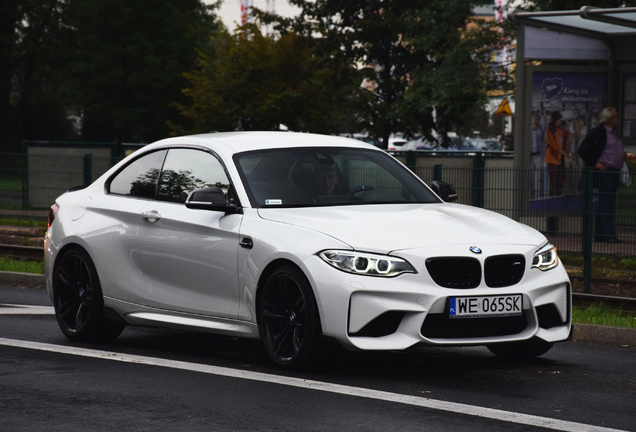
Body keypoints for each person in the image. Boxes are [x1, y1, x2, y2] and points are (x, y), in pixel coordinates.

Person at [578, 107, 627, 243]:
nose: (618, 118)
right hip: (605, 172)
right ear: (609, 120)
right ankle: (608, 234)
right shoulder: (599, 132)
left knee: (607, 203)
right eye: (615, 116)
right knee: (606, 203)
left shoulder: (614, 134)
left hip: (613, 172)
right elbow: (583, 150)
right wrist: (595, 163)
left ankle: (599, 234)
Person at [545, 111, 565, 196]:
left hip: (560, 159)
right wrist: (561, 151)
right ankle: (552, 201)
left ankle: (558, 199)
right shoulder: (549, 131)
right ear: (555, 121)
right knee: (553, 183)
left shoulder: (559, 131)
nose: (559, 123)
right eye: (559, 121)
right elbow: (553, 146)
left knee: (559, 183)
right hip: (553, 159)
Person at [564, 117, 585, 193]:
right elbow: (566, 150)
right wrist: (567, 158)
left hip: (579, 161)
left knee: (577, 181)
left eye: (575, 124)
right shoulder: (571, 137)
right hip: (571, 160)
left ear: (580, 125)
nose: (573, 125)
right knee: (569, 182)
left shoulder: (584, 138)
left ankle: (576, 196)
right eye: (573, 124)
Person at [530, 111, 547, 198]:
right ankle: (532, 194)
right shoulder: (530, 130)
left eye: (538, 119)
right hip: (531, 156)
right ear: (533, 120)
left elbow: (545, 126)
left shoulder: (541, 129)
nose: (536, 121)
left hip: (539, 155)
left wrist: (544, 115)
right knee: (531, 177)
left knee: (540, 176)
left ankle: (540, 195)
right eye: (535, 119)